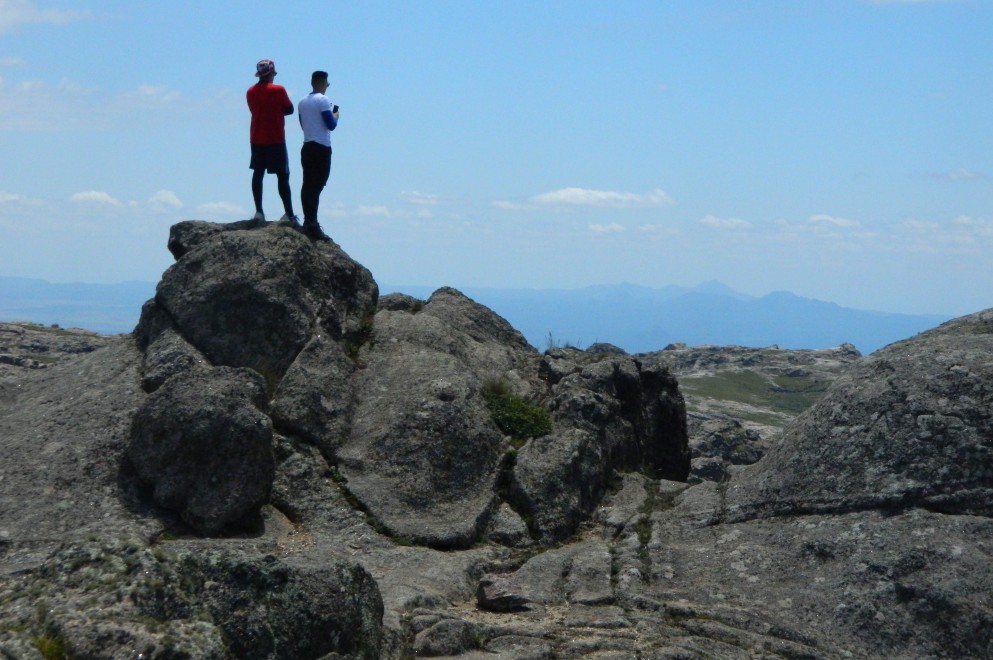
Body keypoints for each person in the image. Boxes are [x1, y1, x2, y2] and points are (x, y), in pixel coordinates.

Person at [246, 59, 298, 225]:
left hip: (256, 137)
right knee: (283, 176)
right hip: (275, 137)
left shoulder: (250, 92)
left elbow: (254, 110)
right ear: (271, 74)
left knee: (258, 173)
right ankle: (289, 214)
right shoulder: (278, 90)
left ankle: (259, 211)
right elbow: (290, 109)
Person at [297, 70, 339, 241]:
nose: (327, 86)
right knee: (317, 185)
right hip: (321, 147)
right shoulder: (323, 100)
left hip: (307, 146)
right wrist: (336, 115)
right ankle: (312, 223)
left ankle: (308, 221)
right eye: (327, 83)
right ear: (322, 82)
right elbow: (331, 125)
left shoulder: (302, 102)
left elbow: (302, 124)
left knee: (307, 185)